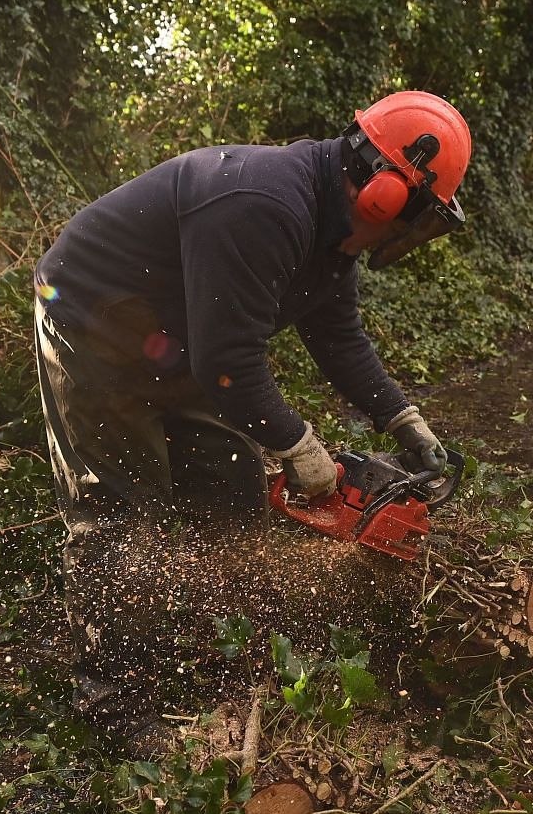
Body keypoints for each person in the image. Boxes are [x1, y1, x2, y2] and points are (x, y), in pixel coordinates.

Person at [32, 90, 471, 738]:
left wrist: (406, 423)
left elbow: (340, 339)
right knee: (123, 515)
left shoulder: (329, 233)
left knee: (231, 483)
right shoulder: (264, 205)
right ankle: (113, 708)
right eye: (416, 217)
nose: (409, 233)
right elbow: (229, 359)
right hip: (91, 320)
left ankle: (213, 648)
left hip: (174, 339)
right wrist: (300, 447)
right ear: (384, 194)